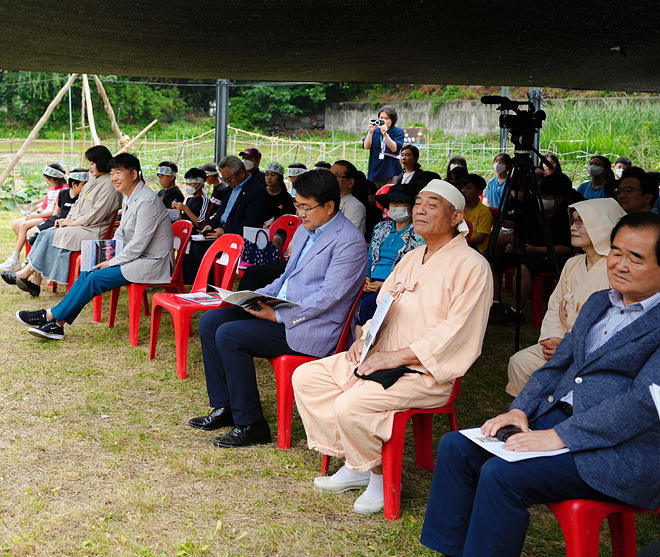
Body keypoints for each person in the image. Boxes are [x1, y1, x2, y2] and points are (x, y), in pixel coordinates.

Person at [420, 213, 660, 557]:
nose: (619, 265)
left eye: (635, 258)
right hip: (555, 420)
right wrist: (519, 410)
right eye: (616, 252)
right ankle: (451, 551)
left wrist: (560, 436)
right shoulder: (601, 301)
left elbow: (642, 405)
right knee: (456, 447)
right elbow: (557, 365)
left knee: (501, 473)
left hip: (620, 452)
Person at [294, 180, 493, 516]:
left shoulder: (472, 266)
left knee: (352, 404)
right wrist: (365, 339)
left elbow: (456, 333)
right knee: (308, 377)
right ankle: (356, 463)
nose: (420, 210)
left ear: (456, 216)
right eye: (419, 203)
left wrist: (393, 356)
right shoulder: (412, 257)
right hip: (379, 356)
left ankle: (378, 477)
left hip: (425, 372)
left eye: (432, 205)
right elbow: (384, 306)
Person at [188, 169, 367, 447]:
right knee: (211, 321)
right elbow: (286, 278)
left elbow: (330, 296)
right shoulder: (306, 229)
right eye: (298, 205)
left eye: (306, 207)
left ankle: (251, 424)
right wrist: (253, 296)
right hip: (285, 309)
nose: (301, 213)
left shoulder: (350, 241)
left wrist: (279, 314)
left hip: (314, 327)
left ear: (330, 206)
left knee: (230, 335)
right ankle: (225, 407)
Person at [16, 153, 173, 341]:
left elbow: (138, 244)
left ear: (133, 174)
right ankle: (56, 325)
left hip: (150, 262)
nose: (114, 178)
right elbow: (121, 232)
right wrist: (107, 254)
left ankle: (49, 316)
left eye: (119, 172)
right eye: (112, 173)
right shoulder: (129, 197)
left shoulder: (147, 201)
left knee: (94, 278)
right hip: (134, 257)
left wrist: (112, 261)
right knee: (88, 270)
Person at [506, 197, 626, 396]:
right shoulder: (573, 263)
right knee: (520, 362)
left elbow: (613, 325)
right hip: (561, 341)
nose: (573, 227)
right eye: (573, 220)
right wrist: (553, 338)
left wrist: (570, 349)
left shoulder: (618, 271)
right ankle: (526, 410)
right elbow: (555, 306)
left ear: (602, 226)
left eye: (581, 222)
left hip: (592, 353)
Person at [9, 146, 120, 296]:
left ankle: (24, 274)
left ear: (101, 162)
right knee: (45, 234)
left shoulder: (109, 184)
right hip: (81, 227)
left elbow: (97, 213)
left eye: (92, 163)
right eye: (88, 163)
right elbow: (78, 203)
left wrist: (73, 222)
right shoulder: (94, 180)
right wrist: (67, 218)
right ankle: (33, 280)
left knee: (50, 235)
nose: (89, 167)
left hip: (94, 231)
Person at [492, 172, 577, 324]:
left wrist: (536, 250)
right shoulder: (535, 214)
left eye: (546, 196)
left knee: (523, 268)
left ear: (559, 199)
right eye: (539, 196)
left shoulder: (565, 218)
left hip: (551, 257)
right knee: (492, 261)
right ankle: (495, 304)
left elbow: (565, 248)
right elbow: (526, 236)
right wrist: (514, 245)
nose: (541, 199)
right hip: (527, 251)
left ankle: (515, 312)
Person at [182, 155, 269, 283]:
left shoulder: (256, 192)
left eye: (230, 179)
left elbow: (252, 223)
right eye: (225, 180)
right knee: (189, 244)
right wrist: (210, 225)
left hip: (238, 236)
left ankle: (208, 287)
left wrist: (225, 231)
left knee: (200, 249)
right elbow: (220, 213)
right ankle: (191, 283)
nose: (228, 183)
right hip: (222, 231)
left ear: (241, 173)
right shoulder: (230, 189)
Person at [355, 184, 424, 325]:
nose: (395, 205)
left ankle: (360, 339)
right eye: (393, 202)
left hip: (396, 286)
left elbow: (414, 269)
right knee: (351, 300)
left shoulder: (419, 234)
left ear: (412, 206)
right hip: (371, 282)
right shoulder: (381, 227)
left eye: (400, 202)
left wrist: (384, 285)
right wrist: (366, 278)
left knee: (366, 304)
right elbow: (370, 256)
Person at [0, 164, 67, 272]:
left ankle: (15, 258)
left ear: (56, 179)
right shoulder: (51, 189)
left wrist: (36, 216)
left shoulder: (63, 190)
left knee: (24, 225)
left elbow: (54, 211)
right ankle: (23, 255)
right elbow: (44, 206)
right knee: (16, 224)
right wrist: (34, 213)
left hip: (50, 218)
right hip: (42, 215)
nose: (47, 182)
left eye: (48, 179)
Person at [363, 106, 404, 185]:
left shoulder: (398, 132)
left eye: (387, 118)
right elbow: (366, 146)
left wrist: (385, 134)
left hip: (391, 172)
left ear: (392, 120)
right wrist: (370, 132)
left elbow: (394, 148)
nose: (384, 121)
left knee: (391, 191)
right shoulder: (374, 131)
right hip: (374, 171)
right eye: (381, 118)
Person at [458, 174, 493, 255]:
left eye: (468, 188)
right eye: (462, 187)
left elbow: (479, 239)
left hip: (475, 250)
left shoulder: (484, 212)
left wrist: (458, 241)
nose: (463, 190)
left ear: (478, 192)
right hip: (460, 245)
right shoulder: (458, 208)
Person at [331, 160, 367, 235]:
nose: (329, 179)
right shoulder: (323, 199)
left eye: (335, 176)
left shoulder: (355, 206)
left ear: (350, 182)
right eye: (329, 175)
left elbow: (349, 236)